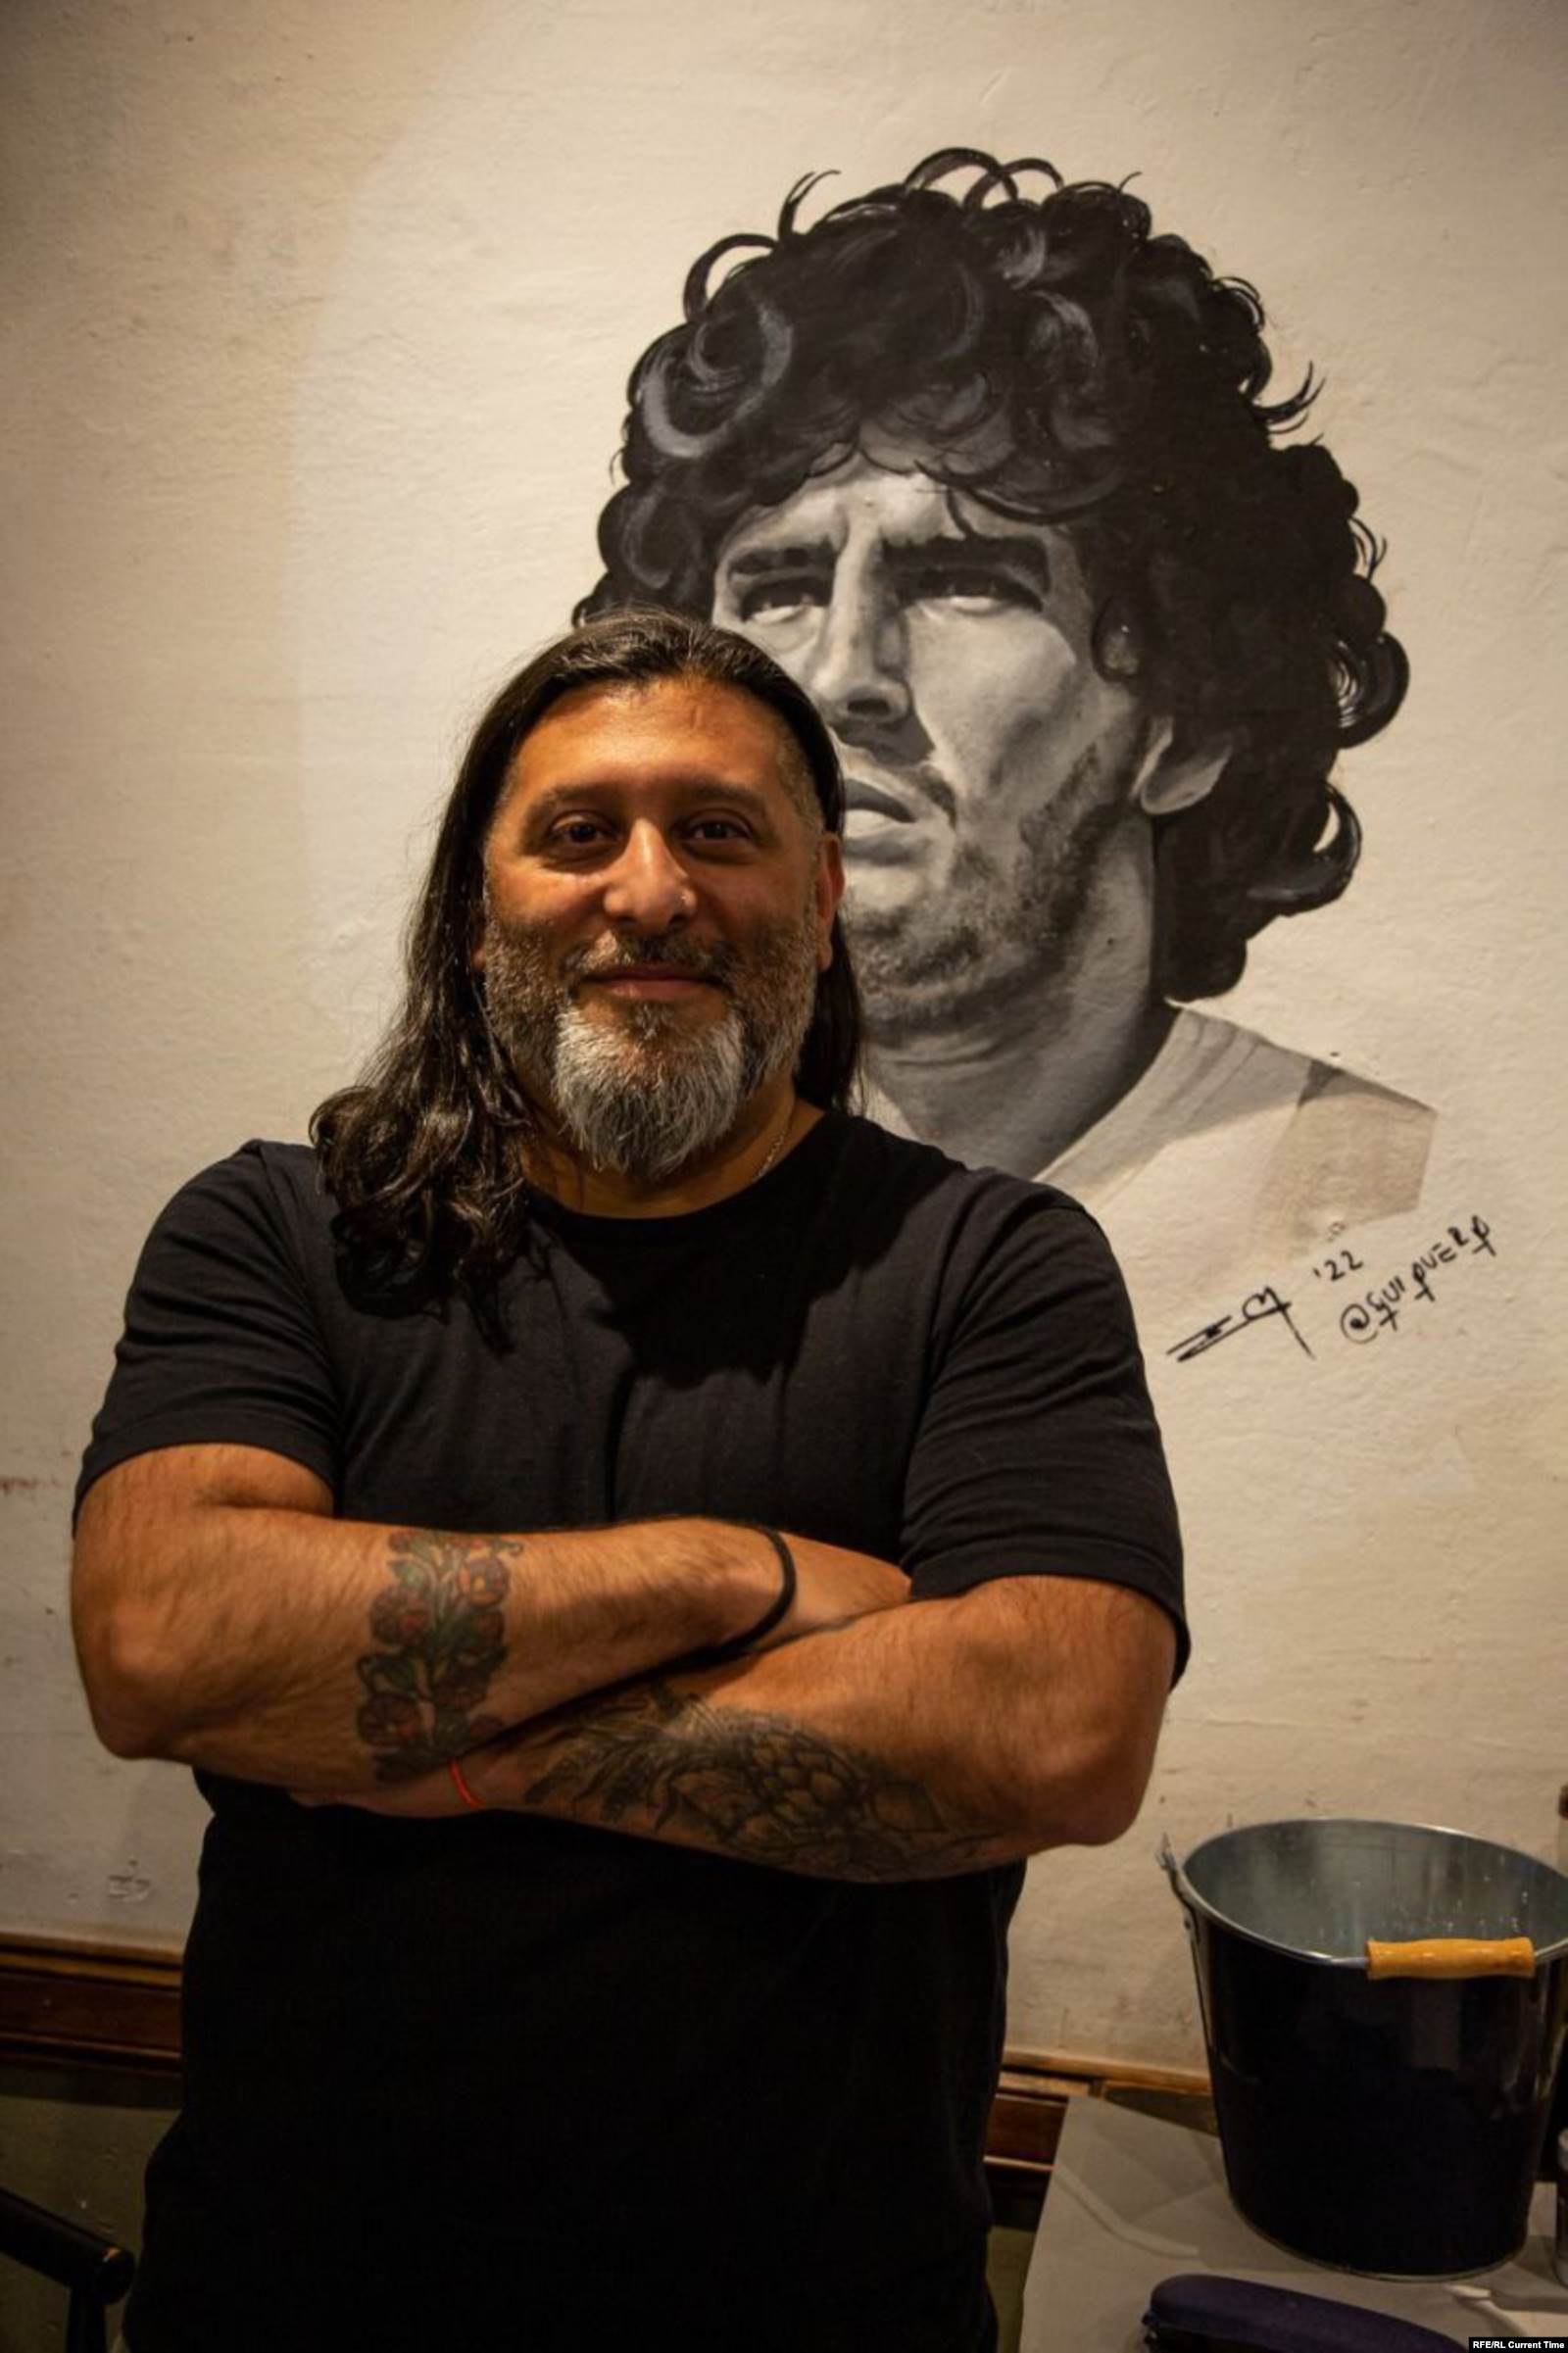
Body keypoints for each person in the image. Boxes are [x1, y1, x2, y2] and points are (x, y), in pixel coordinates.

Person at [73, 612, 1183, 2352]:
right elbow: (164, 1641)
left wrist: (432, 1745)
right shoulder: (285, 1232)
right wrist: (735, 1575)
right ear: (478, 907)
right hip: (291, 2300)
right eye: (580, 832)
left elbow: (1054, 1731)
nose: (650, 891)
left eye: (718, 831)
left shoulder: (992, 1265)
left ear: (823, 894)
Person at [577, 151, 1434, 1297]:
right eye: (780, 590)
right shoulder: (614, 1191)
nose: (841, 674)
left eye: (961, 581)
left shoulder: (1376, 1208)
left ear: (1186, 727)